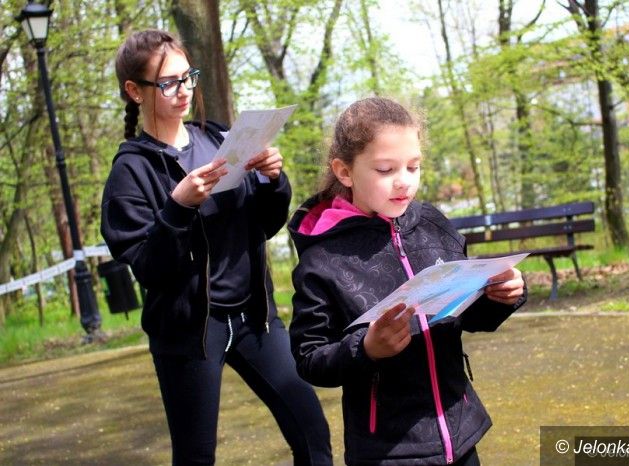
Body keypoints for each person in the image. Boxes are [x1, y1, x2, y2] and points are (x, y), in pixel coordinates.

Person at [100, 29, 331, 466]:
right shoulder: (131, 172)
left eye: (189, 77)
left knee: (311, 430)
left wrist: (272, 180)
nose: (184, 90)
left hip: (255, 317)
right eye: (168, 83)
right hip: (190, 332)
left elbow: (263, 225)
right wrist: (178, 207)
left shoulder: (219, 138)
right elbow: (148, 267)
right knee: (195, 455)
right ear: (134, 90)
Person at [288, 97, 526, 465]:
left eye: (414, 166)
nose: (404, 182)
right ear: (345, 172)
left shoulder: (432, 223)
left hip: (461, 431)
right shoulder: (322, 260)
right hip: (388, 451)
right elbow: (310, 358)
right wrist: (366, 348)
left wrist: (500, 296)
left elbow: (466, 315)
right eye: (385, 169)